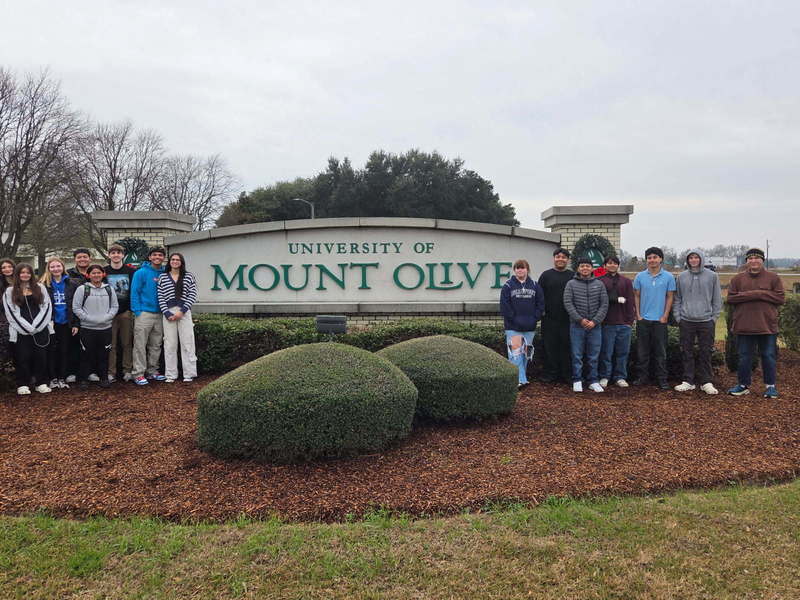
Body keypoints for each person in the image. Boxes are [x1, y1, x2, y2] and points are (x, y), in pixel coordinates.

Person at [726, 248, 785, 398]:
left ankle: (770, 387)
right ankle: (743, 385)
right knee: (744, 357)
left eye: (757, 258)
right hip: (744, 325)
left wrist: (756, 294)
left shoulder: (773, 278)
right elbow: (731, 299)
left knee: (768, 356)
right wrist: (759, 294)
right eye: (750, 258)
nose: (753, 261)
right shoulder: (737, 279)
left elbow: (780, 298)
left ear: (762, 260)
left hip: (767, 325)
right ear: (746, 261)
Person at [672, 249, 723, 395]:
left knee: (705, 352)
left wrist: (714, 318)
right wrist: (678, 317)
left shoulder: (712, 276)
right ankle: (688, 381)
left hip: (706, 321)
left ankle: (706, 382)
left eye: (696, 257)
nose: (693, 260)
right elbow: (677, 298)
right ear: (687, 260)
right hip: (686, 320)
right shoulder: (681, 277)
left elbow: (717, 299)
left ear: (701, 259)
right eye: (691, 258)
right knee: (686, 351)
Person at [2, 263, 53, 395]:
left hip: (40, 329)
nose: (25, 275)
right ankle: (23, 384)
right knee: (22, 357)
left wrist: (36, 326)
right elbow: (11, 313)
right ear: (17, 274)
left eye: (28, 272)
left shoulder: (40, 288)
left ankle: (41, 383)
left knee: (41, 356)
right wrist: (27, 328)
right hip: (20, 331)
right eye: (22, 272)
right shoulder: (10, 291)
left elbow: (46, 307)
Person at [632, 247, 676, 390]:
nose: (652, 260)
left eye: (655, 257)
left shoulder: (668, 277)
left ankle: (662, 379)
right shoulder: (640, 277)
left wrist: (665, 315)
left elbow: (670, 297)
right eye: (649, 258)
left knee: (660, 352)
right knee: (642, 351)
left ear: (660, 259)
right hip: (643, 320)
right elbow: (636, 296)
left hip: (660, 320)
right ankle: (642, 377)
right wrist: (638, 315)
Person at [563, 256, 609, 393]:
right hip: (577, 326)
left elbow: (604, 304)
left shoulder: (599, 284)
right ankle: (577, 380)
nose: (585, 268)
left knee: (593, 356)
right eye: (582, 266)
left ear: (592, 268)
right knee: (577, 355)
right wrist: (580, 319)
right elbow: (568, 303)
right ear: (578, 268)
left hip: (595, 326)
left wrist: (595, 321)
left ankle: (593, 381)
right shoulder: (571, 284)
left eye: (587, 266)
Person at [500, 259, 545, 388]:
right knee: (515, 354)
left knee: (526, 354)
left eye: (522, 268)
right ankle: (518, 380)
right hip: (513, 327)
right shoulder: (508, 286)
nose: (520, 270)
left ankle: (521, 379)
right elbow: (505, 306)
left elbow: (540, 304)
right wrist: (515, 320)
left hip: (529, 327)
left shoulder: (535, 285)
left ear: (527, 270)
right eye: (517, 268)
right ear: (514, 270)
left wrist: (534, 318)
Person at [72, 264, 118, 390]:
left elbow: (114, 307)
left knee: (104, 354)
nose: (96, 275)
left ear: (103, 274)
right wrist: (89, 319)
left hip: (105, 328)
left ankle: (103, 378)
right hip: (87, 328)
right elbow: (76, 308)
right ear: (88, 275)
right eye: (93, 273)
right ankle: (83, 379)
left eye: (99, 273)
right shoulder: (82, 289)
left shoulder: (109, 289)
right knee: (86, 354)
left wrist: (107, 317)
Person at [158, 252, 199, 383]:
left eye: (178, 260)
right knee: (169, 344)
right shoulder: (163, 277)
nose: (175, 261)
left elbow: (192, 295)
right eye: (173, 259)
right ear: (169, 261)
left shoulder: (188, 276)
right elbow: (160, 296)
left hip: (184, 312)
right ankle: (170, 375)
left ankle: (189, 374)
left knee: (187, 342)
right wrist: (167, 313)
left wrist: (182, 311)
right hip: (168, 313)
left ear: (181, 262)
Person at [130, 246, 167, 385]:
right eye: (154, 255)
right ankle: (138, 373)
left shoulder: (165, 273)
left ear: (163, 257)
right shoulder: (141, 273)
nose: (157, 257)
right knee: (140, 345)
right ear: (150, 257)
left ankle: (153, 371)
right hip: (144, 313)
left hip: (160, 314)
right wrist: (137, 311)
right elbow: (135, 292)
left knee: (156, 345)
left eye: (160, 255)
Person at [537, 248, 574, 383]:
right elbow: (539, 296)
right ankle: (550, 374)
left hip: (568, 319)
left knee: (567, 347)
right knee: (549, 347)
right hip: (549, 319)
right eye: (558, 257)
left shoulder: (573, 276)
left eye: (563, 257)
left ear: (567, 260)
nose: (560, 259)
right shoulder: (545, 276)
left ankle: (567, 374)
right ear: (554, 259)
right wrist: (541, 311)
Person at [598, 255, 635, 388]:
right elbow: (600, 299)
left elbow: (630, 301)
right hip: (607, 323)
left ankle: (620, 377)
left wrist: (630, 320)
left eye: (614, 263)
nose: (612, 265)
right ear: (604, 266)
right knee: (606, 352)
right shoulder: (600, 281)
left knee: (622, 353)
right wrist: (615, 299)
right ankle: (604, 376)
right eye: (609, 263)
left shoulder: (626, 281)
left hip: (623, 323)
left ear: (618, 265)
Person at [39, 257, 77, 389]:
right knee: (51, 351)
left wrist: (75, 324)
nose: (56, 269)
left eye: (58, 266)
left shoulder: (71, 283)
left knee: (64, 351)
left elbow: (75, 305)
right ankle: (52, 378)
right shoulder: (43, 285)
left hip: (66, 322)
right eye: (52, 267)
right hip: (50, 323)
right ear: (48, 269)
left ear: (63, 267)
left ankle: (62, 377)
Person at [105, 243, 136, 382]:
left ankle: (127, 370)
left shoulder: (131, 271)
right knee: (111, 344)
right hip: (109, 313)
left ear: (123, 255)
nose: (116, 255)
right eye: (113, 253)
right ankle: (111, 372)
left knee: (127, 343)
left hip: (125, 312)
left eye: (118, 253)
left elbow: (134, 291)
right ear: (109, 255)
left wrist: (130, 309)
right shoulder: (104, 271)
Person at [65, 248, 93, 383]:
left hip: (92, 314)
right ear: (75, 259)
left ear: (90, 258)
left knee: (91, 345)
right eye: (79, 257)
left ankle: (91, 371)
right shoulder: (68, 274)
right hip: (74, 314)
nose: (82, 259)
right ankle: (72, 372)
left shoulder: (95, 272)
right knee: (74, 345)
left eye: (85, 257)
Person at [0, 258, 16, 366]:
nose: (7, 269)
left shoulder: (20, 280)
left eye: (10, 266)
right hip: (4, 317)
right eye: (4, 267)